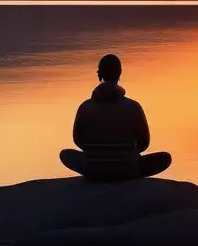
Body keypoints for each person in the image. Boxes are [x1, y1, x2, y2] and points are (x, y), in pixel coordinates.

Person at [59, 54, 172, 182]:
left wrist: (97, 151)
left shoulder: (85, 107)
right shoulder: (133, 107)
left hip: (93, 170)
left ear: (99, 74)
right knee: (165, 158)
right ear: (119, 73)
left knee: (66, 154)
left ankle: (101, 166)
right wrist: (126, 153)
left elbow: (78, 140)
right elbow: (144, 143)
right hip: (127, 170)